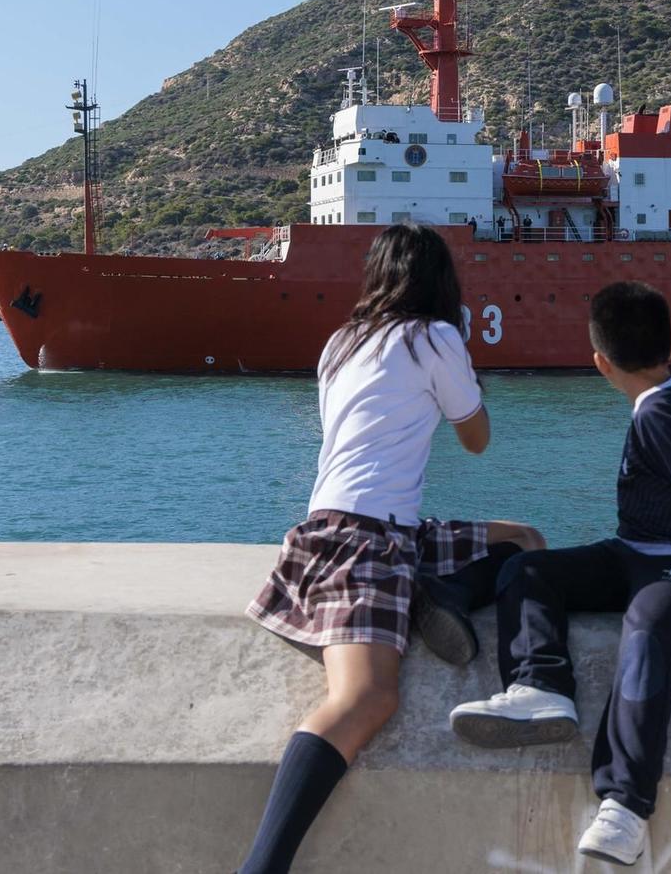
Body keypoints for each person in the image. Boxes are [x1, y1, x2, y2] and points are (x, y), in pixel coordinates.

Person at [237, 223, 545, 874]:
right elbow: (477, 439)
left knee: (524, 539)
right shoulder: (435, 338)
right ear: (441, 283)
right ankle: (261, 867)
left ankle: (439, 592)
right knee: (367, 698)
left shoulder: (340, 344)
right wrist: (463, 359)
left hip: (346, 531)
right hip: (369, 544)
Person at [449, 280, 671, 868]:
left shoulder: (660, 414)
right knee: (529, 569)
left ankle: (626, 805)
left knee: (646, 632)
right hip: (635, 551)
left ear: (601, 363)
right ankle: (542, 688)